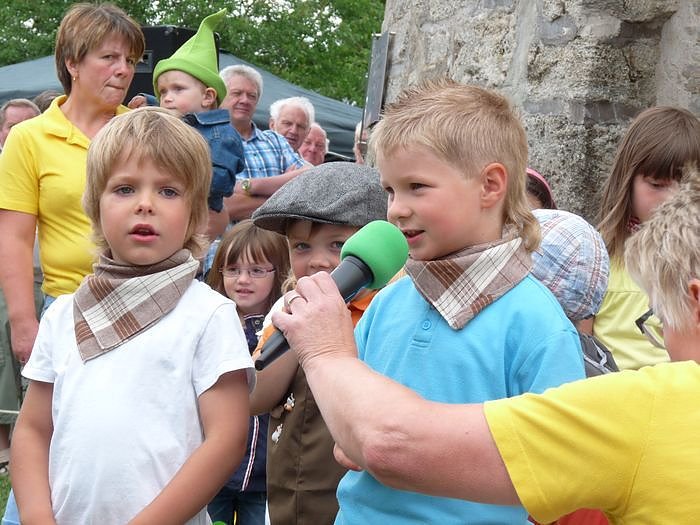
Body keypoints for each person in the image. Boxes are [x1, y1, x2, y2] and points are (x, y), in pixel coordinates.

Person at [272, 166, 700, 525]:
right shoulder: (390, 302)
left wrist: (327, 355)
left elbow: (388, 445)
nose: (398, 208)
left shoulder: (648, 405)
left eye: (659, 316)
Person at [290, 78, 586, 524]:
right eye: (390, 190)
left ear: (490, 186)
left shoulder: (536, 323)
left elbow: (562, 468)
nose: (396, 209)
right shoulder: (386, 302)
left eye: (417, 186)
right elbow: (347, 433)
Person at [11, 107, 254, 524]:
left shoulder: (207, 314)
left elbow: (226, 439)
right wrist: (36, 516)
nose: (145, 204)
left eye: (168, 191)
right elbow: (33, 430)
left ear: (196, 214)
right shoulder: (64, 315)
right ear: (95, 206)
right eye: (124, 189)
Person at [0, 6, 144, 521]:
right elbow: (14, 237)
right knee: (47, 434)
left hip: (143, 308)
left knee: (119, 438)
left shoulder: (142, 131)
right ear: (72, 63)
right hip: (65, 309)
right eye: (109, 57)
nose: (123, 70)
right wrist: (24, 322)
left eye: (130, 59)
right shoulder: (29, 138)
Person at [249, 162, 389, 525]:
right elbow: (255, 397)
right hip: (286, 500)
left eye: (338, 245)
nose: (317, 262)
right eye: (301, 246)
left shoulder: (386, 313)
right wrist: (297, 330)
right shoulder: (286, 309)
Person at [593, 106, 700, 370]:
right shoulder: (596, 255)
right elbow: (581, 351)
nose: (673, 198)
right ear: (627, 181)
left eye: (688, 186)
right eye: (657, 184)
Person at [205, 220, 290, 525]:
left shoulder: (281, 326)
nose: (243, 280)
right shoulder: (210, 323)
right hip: (212, 472)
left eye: (256, 270)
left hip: (265, 477)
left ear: (279, 272)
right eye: (232, 269)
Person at [151, 9, 245, 243]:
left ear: (207, 97)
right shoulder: (176, 125)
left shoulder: (221, 135)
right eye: (162, 92)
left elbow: (219, 181)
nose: (167, 98)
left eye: (178, 89)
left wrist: (174, 181)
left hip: (201, 218)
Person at [0, 98, 41, 472]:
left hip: (44, 276)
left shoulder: (37, 159)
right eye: (12, 125)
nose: (18, 132)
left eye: (27, 123)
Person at [219, 65, 308, 221]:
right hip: (233, 237)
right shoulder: (208, 142)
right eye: (237, 93)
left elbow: (309, 177)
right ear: (220, 96)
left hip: (276, 237)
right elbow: (224, 207)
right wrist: (284, 188)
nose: (245, 100)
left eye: (251, 96)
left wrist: (250, 186)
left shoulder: (276, 140)